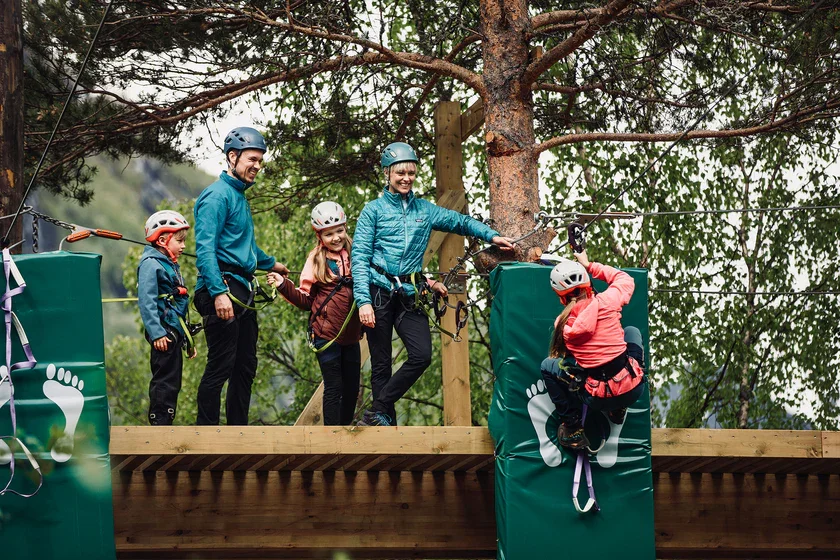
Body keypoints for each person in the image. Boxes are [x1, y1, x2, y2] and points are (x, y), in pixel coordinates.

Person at [352, 141, 516, 427]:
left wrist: (492, 236)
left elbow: (460, 222)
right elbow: (359, 257)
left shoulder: (424, 210)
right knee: (381, 363)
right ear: (387, 174)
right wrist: (363, 300)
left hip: (410, 292)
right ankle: (381, 421)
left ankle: (377, 408)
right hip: (378, 291)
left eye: (411, 173)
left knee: (421, 355)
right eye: (400, 173)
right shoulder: (373, 211)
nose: (406, 178)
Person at [192, 126, 289, 426]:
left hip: (240, 287)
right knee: (222, 364)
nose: (257, 166)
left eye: (260, 160)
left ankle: (238, 432)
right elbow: (205, 249)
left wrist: (273, 265)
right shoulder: (216, 197)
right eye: (252, 159)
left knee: (245, 366)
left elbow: (245, 248)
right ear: (232, 157)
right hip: (222, 287)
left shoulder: (238, 197)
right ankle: (205, 435)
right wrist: (219, 292)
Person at [540, 249, 647, 450]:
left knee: (548, 366)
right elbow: (624, 278)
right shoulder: (608, 300)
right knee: (631, 332)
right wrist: (589, 265)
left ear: (561, 298)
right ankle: (618, 408)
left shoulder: (562, 325)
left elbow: (572, 358)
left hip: (596, 398)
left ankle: (573, 429)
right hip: (632, 389)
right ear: (587, 285)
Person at [267, 201, 362, 426]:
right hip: (325, 336)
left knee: (352, 388)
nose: (336, 237)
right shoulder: (316, 259)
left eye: (339, 230)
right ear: (320, 236)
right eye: (329, 234)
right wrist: (283, 284)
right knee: (334, 387)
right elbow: (306, 300)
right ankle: (331, 436)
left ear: (346, 227)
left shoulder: (357, 252)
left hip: (351, 336)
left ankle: (345, 431)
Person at [137, 210, 193, 426]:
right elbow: (146, 301)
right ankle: (159, 420)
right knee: (164, 379)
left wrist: (187, 338)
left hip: (173, 331)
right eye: (179, 241)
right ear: (162, 239)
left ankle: (167, 418)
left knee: (174, 379)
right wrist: (156, 332)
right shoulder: (151, 264)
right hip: (163, 331)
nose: (184, 246)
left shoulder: (169, 264)